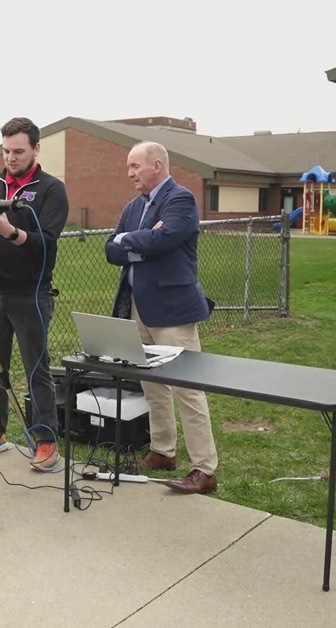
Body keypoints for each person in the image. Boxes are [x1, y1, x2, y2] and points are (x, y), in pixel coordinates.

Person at [104, 141, 219, 494]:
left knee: (188, 388)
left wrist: (132, 243)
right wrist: (137, 240)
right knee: (151, 384)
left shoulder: (180, 199)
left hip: (172, 311)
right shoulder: (134, 207)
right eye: (128, 167)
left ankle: (205, 469)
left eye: (135, 166)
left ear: (157, 165)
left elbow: (167, 238)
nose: (130, 173)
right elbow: (111, 249)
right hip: (138, 308)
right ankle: (162, 451)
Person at [0, 117, 69, 473]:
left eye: (18, 151)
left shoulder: (51, 189)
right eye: (6, 151)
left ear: (36, 149)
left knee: (36, 367)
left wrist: (10, 232)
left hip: (29, 296)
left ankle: (45, 440)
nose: (11, 157)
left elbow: (47, 245)